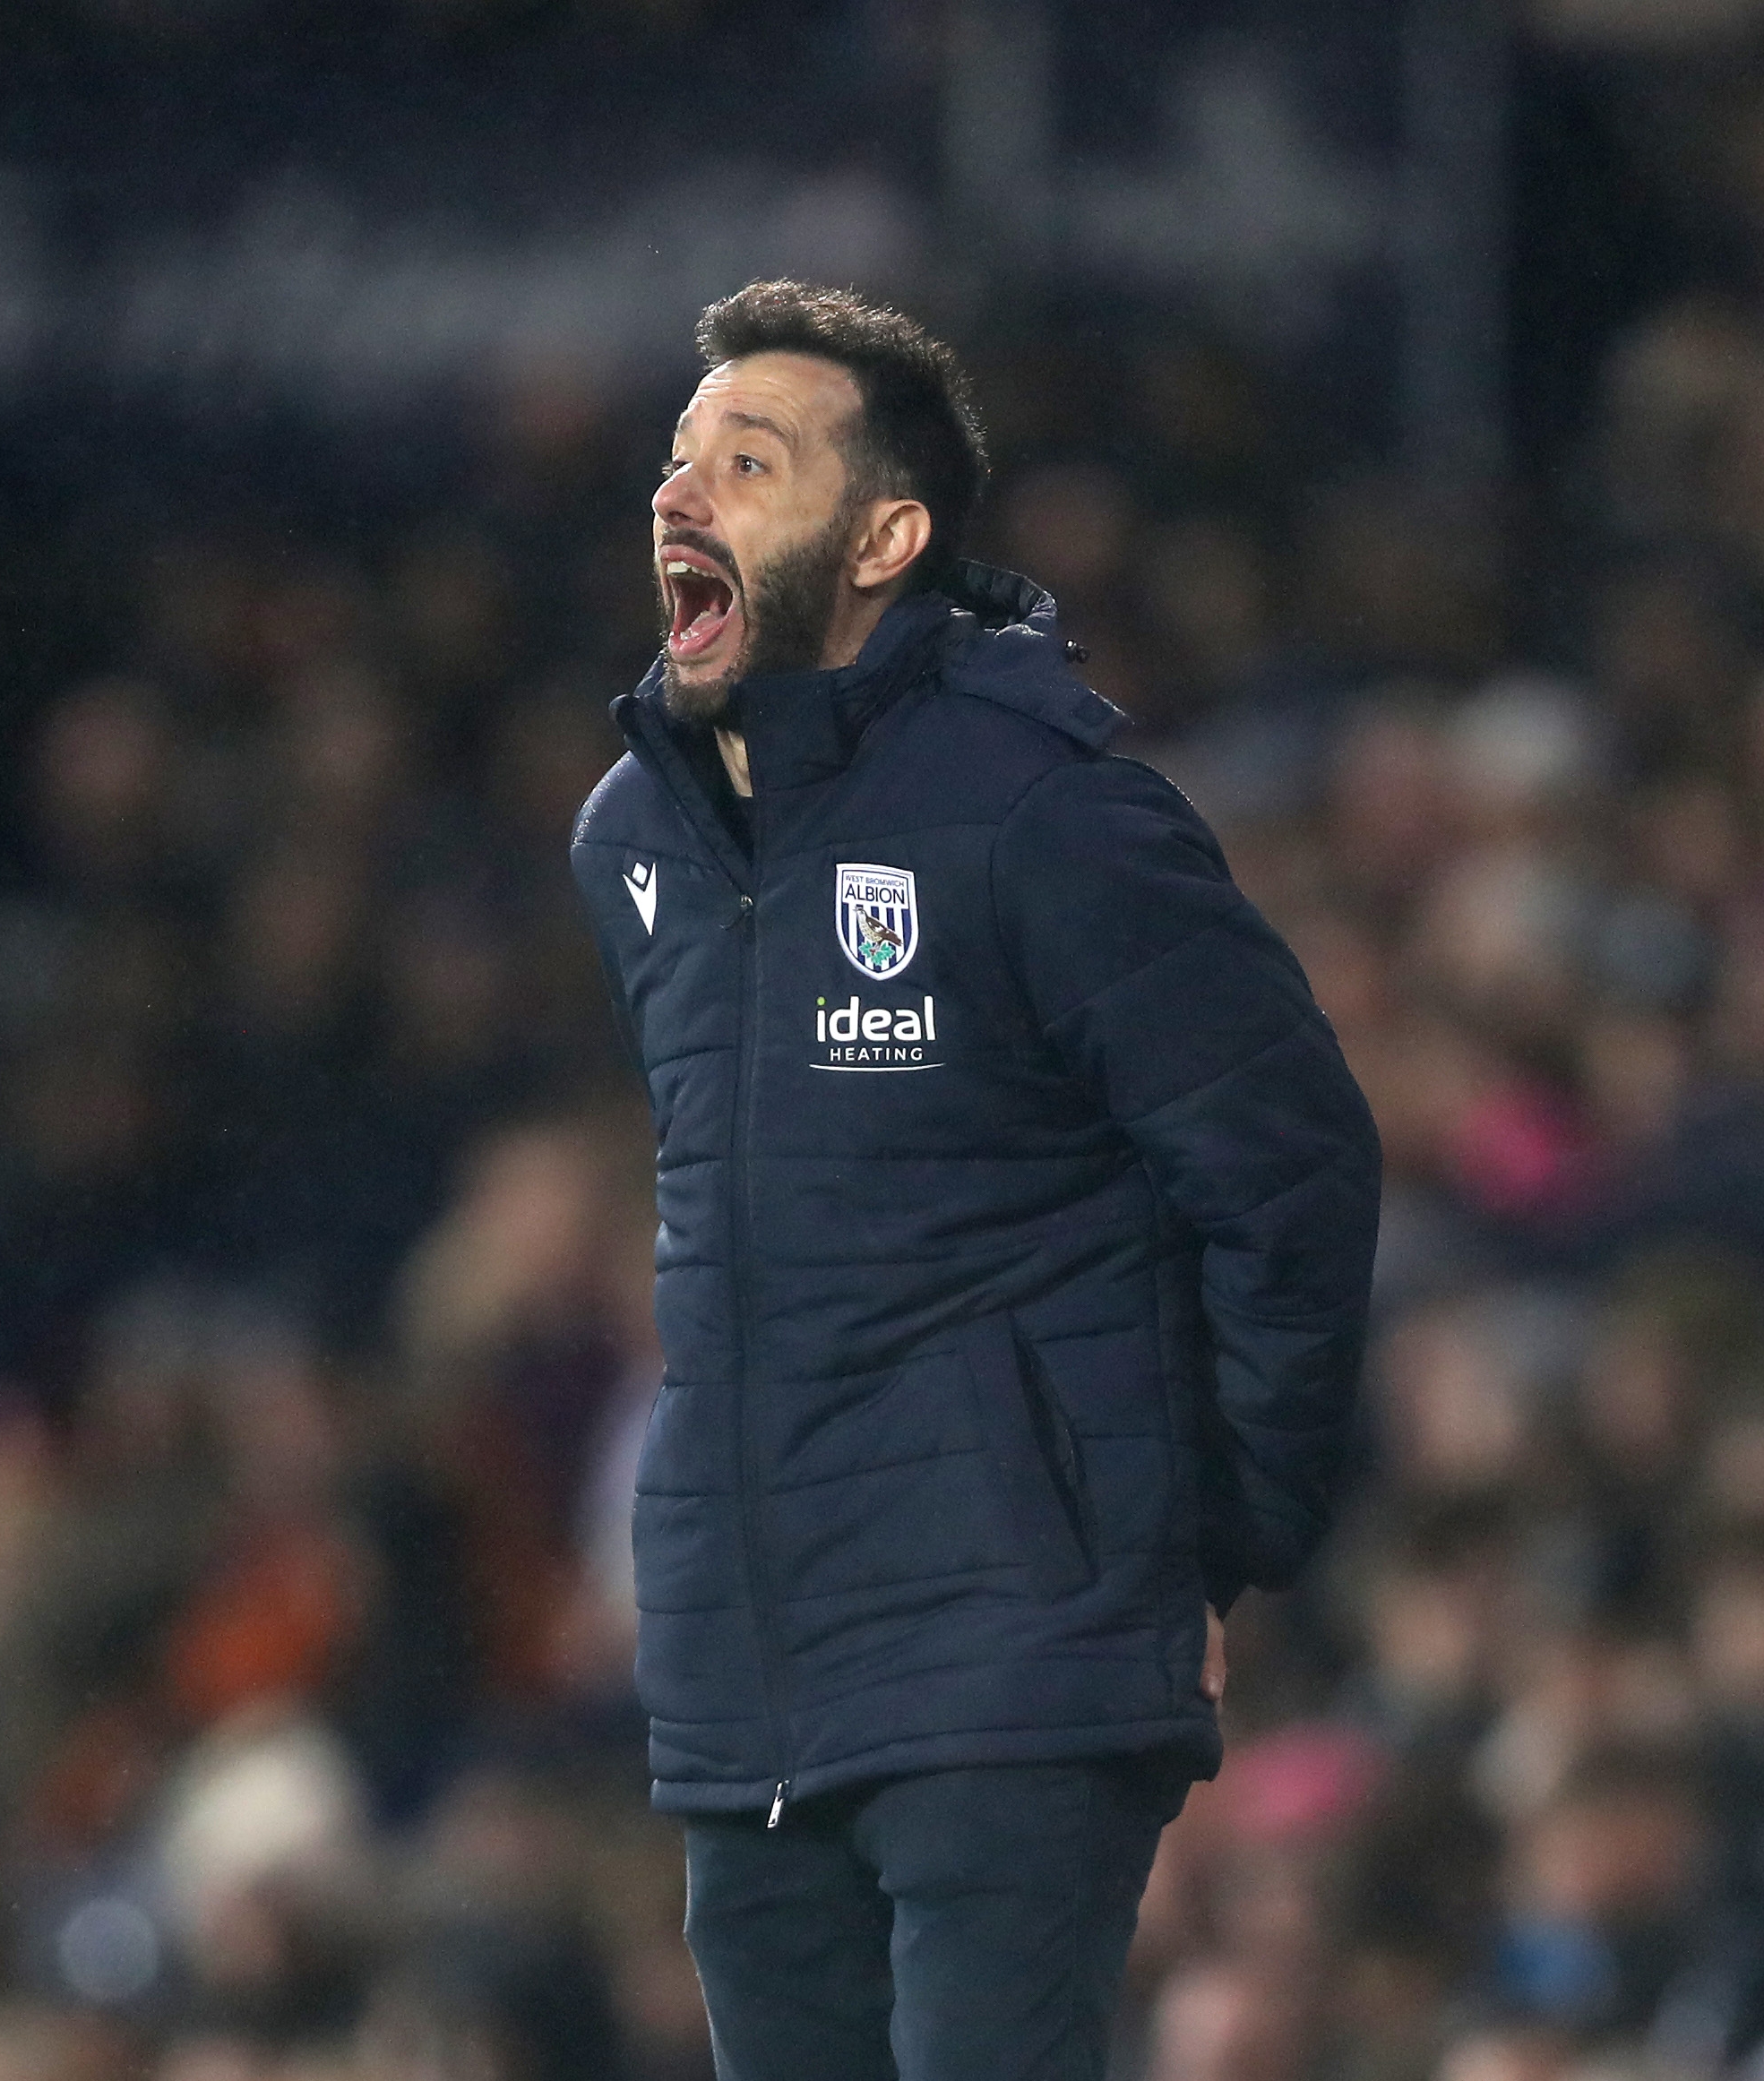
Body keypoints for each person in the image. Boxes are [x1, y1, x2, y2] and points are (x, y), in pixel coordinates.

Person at [568, 280, 1381, 2079]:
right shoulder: (633, 839)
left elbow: (1294, 1169)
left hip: (1013, 1655)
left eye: (749, 461)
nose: (680, 495)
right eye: (677, 457)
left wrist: (1209, 1537)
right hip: (748, 1669)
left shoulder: (1046, 811)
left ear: (887, 536)